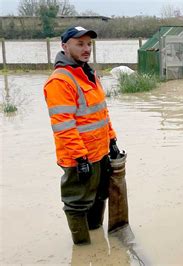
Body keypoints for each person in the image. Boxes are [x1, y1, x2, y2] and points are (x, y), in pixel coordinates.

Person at [43, 26, 122, 245]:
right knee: (76, 203)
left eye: (89, 44)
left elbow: (101, 112)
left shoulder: (89, 74)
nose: (86, 49)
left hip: (100, 151)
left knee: (100, 196)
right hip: (79, 157)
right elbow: (64, 127)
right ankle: (83, 248)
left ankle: (96, 237)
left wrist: (112, 139)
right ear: (64, 46)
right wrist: (80, 158)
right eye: (80, 44)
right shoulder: (60, 81)